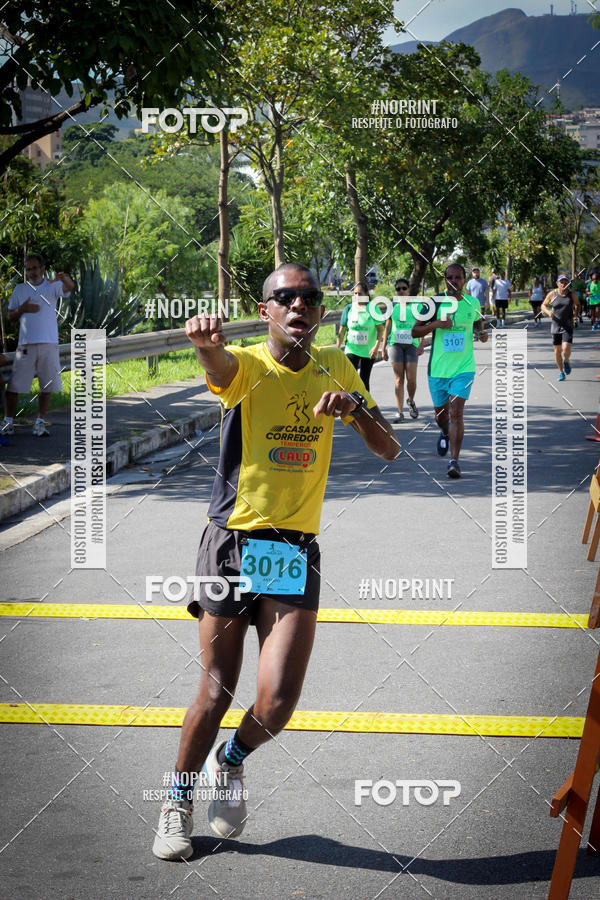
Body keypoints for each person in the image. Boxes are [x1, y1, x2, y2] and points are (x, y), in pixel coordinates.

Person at [152, 262, 399, 861]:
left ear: (320, 310)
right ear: (265, 311)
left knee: (279, 701)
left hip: (293, 550)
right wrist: (206, 348)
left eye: (309, 298)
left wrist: (354, 409)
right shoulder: (249, 365)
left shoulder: (336, 366)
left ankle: (231, 760)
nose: (298, 307)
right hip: (235, 543)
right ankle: (175, 804)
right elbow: (221, 368)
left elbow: (388, 448)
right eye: (284, 298)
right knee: (215, 691)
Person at [412, 263, 488, 479]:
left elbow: (477, 324)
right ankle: (444, 431)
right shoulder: (435, 302)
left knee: (456, 412)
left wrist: (481, 334)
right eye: (449, 277)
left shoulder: (471, 303)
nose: (453, 281)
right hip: (438, 369)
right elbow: (414, 330)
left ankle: (454, 461)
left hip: (464, 368)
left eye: (457, 277)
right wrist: (436, 324)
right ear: (445, 280)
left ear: (464, 280)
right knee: (441, 416)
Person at [1, 253, 74, 437]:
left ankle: (40, 422)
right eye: (28, 269)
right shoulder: (20, 289)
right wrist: (22, 309)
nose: (31, 272)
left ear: (42, 268)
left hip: (49, 343)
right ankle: (8, 422)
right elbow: (9, 315)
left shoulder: (52, 286)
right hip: (26, 344)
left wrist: (63, 277)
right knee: (15, 386)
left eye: (34, 268)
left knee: (47, 386)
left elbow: (70, 287)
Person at [381, 277, 424, 423]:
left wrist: (421, 343)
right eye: (398, 289)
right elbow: (387, 327)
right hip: (395, 344)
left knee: (411, 378)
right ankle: (399, 413)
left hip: (412, 344)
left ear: (409, 290)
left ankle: (411, 401)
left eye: (403, 288)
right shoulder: (392, 306)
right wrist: (383, 347)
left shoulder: (417, 306)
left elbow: (421, 325)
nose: (401, 291)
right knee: (399, 379)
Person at [336, 281, 384, 391]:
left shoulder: (373, 309)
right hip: (351, 349)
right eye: (355, 294)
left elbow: (380, 330)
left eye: (360, 293)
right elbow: (342, 331)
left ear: (366, 294)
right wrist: (338, 349)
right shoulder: (349, 308)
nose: (357, 296)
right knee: (349, 379)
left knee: (364, 380)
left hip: (368, 351)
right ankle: (350, 406)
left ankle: (365, 406)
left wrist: (376, 347)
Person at [541, 275, 580, 381]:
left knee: (566, 348)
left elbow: (577, 305)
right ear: (557, 283)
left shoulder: (572, 295)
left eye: (565, 282)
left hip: (567, 325)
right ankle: (561, 372)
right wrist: (548, 312)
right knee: (557, 351)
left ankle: (566, 360)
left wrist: (576, 313)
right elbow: (543, 305)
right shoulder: (552, 294)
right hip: (555, 326)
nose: (563, 284)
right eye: (561, 282)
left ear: (568, 283)